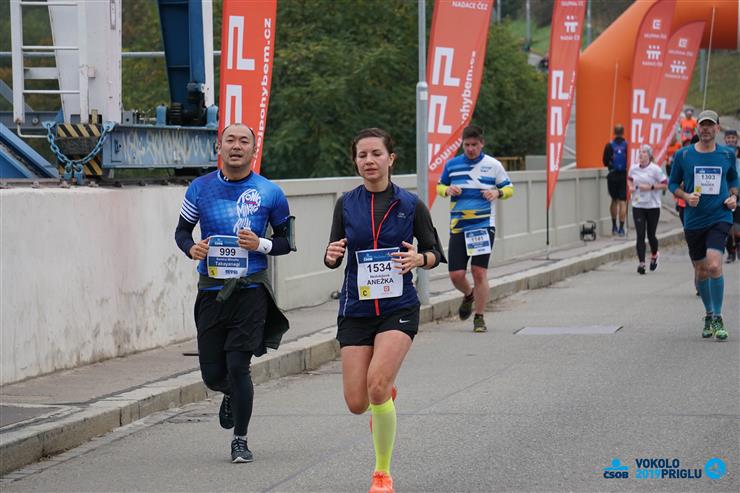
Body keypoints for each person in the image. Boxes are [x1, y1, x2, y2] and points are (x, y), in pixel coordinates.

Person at [324, 128, 445, 493]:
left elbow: (436, 253)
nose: (369, 161)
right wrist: (330, 255)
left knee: (376, 385)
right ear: (355, 161)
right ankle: (384, 397)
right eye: (362, 155)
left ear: (391, 158)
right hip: (356, 308)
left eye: (376, 153)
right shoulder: (346, 204)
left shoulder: (410, 204)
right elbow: (334, 254)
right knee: (356, 402)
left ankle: (382, 473)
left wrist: (419, 259)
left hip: (398, 307)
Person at [174, 123, 296, 462]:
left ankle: (240, 440)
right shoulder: (200, 188)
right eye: (230, 140)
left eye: (244, 141)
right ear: (220, 147)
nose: (237, 146)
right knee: (213, 374)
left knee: (238, 365)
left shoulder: (270, 192)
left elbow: (286, 242)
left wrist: (261, 243)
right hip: (211, 292)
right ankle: (230, 393)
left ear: (254, 150)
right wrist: (191, 248)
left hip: (250, 291)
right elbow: (182, 231)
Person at [668, 110, 739, 341]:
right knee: (700, 270)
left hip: (720, 216)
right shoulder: (683, 155)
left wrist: (734, 196)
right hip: (694, 220)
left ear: (717, 128)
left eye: (710, 125)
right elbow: (672, 184)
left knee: (714, 265)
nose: (706, 129)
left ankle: (718, 317)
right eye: (702, 125)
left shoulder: (727, 154)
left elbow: (733, 179)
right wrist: (686, 196)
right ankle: (708, 313)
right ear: (697, 128)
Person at [436, 125, 514, 333]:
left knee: (479, 272)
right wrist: (447, 190)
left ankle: (479, 317)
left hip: (483, 226)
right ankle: (468, 295)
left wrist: (497, 193)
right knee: (456, 275)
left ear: (482, 144)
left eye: (474, 145)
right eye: (467, 145)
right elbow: (439, 186)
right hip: (459, 226)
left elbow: (509, 188)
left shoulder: (493, 165)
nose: (470, 149)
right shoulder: (452, 165)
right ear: (462, 144)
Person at [628, 144, 668, 274]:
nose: (641, 154)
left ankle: (655, 254)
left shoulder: (655, 169)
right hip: (638, 205)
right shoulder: (634, 168)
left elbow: (665, 184)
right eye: (640, 152)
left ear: (649, 155)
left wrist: (650, 187)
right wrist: (631, 187)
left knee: (651, 235)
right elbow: (629, 179)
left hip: (652, 206)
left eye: (644, 152)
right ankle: (642, 263)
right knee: (640, 234)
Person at [602, 124, 628, 236]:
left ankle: (614, 227)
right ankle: (622, 228)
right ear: (623, 132)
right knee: (623, 201)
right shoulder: (627, 146)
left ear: (614, 132)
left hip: (612, 175)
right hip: (624, 175)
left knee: (614, 200)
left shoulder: (609, 145)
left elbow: (604, 162)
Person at [723, 129, 740, 262]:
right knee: (728, 228)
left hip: (739, 200)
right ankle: (731, 252)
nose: (731, 140)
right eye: (728, 138)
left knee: (737, 228)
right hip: (726, 198)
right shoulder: (721, 157)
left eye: (733, 137)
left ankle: (738, 245)